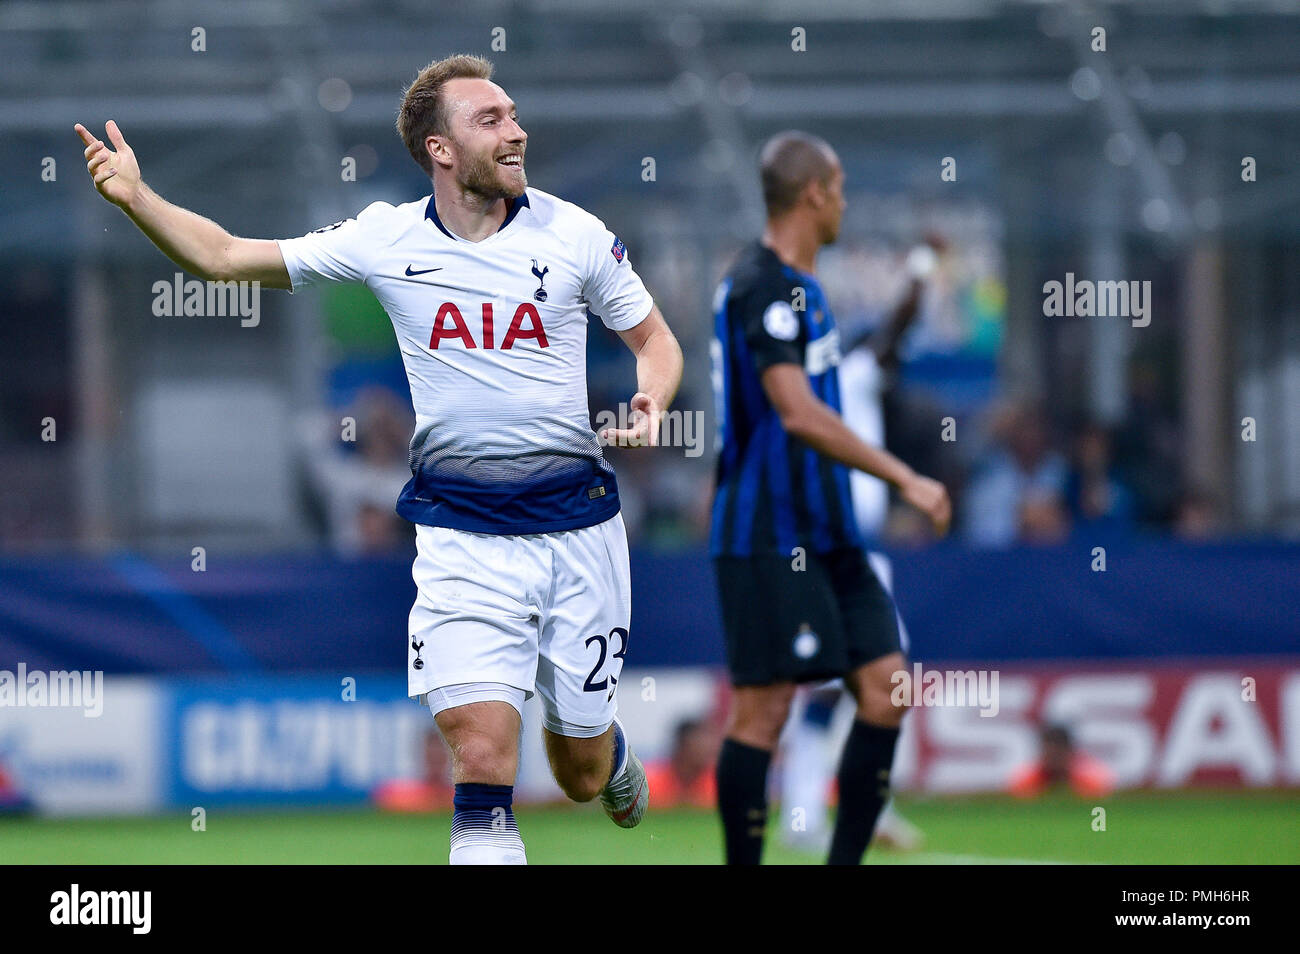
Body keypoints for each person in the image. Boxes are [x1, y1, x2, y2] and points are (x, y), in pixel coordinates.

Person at [76, 52, 683, 865]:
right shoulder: (384, 239)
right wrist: (138, 198)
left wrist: (653, 396)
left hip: (580, 536)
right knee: (482, 763)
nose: (517, 130)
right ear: (440, 148)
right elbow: (223, 256)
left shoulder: (573, 235)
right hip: (462, 544)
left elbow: (655, 340)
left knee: (574, 772)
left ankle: (605, 750)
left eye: (514, 114)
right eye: (491, 119)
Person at [710, 131, 951, 865]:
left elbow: (881, 348)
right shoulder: (760, 285)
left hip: (835, 532)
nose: (844, 201)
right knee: (766, 708)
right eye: (839, 187)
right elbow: (797, 413)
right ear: (814, 193)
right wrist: (903, 475)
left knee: (886, 690)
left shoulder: (807, 292)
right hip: (768, 531)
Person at [779, 237, 941, 854]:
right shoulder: (826, 383)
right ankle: (804, 817)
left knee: (878, 684)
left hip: (858, 551)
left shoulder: (831, 381)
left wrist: (922, 275)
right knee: (831, 686)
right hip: (823, 551)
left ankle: (864, 806)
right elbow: (893, 336)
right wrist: (922, 267)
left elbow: (893, 339)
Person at [1008, 724, 1115, 799]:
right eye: (1049, 752)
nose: (1053, 759)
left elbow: (1101, 796)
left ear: (1069, 751)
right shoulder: (1030, 776)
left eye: (1058, 752)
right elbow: (1018, 796)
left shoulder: (1089, 776)